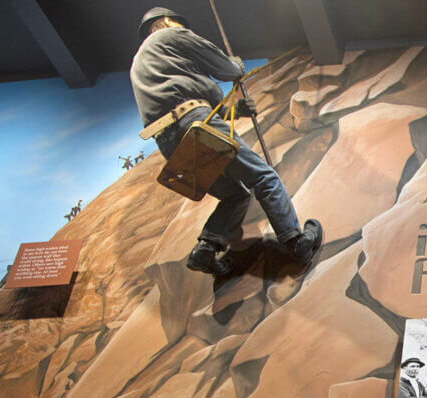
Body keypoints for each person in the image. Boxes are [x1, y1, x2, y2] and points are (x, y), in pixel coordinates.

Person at [131, 8, 322, 276]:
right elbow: (225, 68)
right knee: (263, 177)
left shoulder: (140, 64)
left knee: (235, 195)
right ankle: (296, 242)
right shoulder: (169, 37)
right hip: (195, 123)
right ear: (167, 22)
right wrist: (237, 65)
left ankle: (206, 249)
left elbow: (187, 98)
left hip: (170, 141)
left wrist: (238, 110)